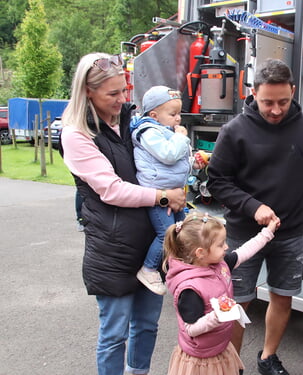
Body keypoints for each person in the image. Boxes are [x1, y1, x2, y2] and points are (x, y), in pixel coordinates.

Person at [60, 52, 186, 375]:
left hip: (150, 246)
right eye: (112, 93)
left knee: (146, 326)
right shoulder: (77, 135)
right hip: (112, 250)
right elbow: (112, 190)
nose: (122, 99)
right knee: (114, 334)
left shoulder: (131, 120)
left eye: (124, 91)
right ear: (88, 91)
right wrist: (163, 196)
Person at [207, 58, 303, 375]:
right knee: (237, 304)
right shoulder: (234, 130)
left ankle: (267, 357)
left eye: (283, 102)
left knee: (283, 297)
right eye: (267, 103)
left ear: (293, 91)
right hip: (243, 234)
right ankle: (231, 364)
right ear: (253, 93)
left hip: (289, 233)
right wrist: (253, 206)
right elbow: (217, 182)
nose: (275, 110)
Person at [164, 212, 280, 375]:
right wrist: (218, 316)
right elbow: (190, 329)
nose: (226, 247)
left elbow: (245, 251)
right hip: (202, 361)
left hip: (220, 348)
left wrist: (268, 232)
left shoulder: (220, 265)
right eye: (220, 244)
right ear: (200, 252)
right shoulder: (190, 289)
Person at [130, 85, 204, 296]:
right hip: (158, 193)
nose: (178, 118)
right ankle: (149, 269)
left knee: (183, 229)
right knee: (166, 233)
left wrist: (192, 162)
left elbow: (172, 163)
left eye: (179, 113)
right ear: (154, 115)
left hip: (172, 190)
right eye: (172, 114)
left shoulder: (163, 131)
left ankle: (179, 266)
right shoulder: (148, 132)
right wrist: (181, 137)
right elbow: (168, 155)